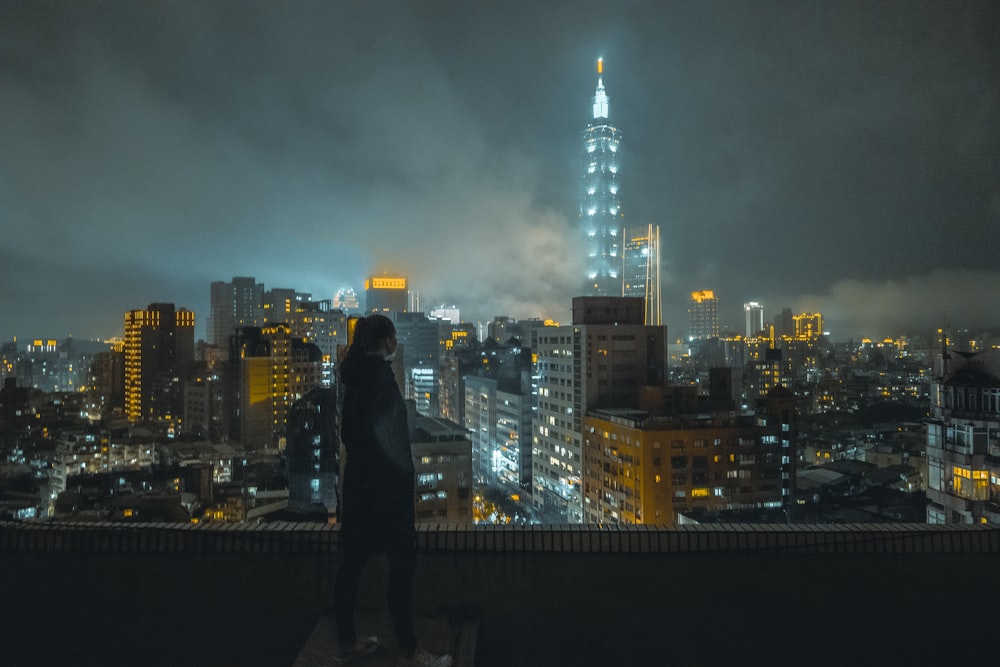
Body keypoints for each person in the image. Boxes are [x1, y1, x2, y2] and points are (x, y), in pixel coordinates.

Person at [333, 314, 453, 667]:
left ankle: (344, 643)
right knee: (402, 566)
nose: (395, 342)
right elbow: (390, 436)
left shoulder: (352, 374)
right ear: (383, 341)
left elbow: (350, 435)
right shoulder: (378, 378)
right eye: (393, 336)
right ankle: (408, 650)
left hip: (359, 485)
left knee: (351, 564)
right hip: (385, 491)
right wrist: (401, 474)